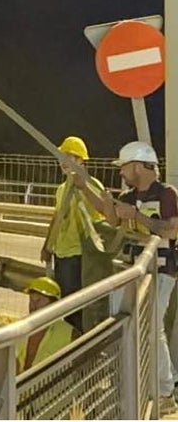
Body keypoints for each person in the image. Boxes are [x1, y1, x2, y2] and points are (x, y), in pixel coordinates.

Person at [75, 140, 178, 402]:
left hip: (162, 270)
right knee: (132, 325)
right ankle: (137, 382)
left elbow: (171, 230)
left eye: (124, 167)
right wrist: (86, 188)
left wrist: (137, 216)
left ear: (137, 166)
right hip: (133, 271)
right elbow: (110, 216)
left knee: (154, 327)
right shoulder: (128, 196)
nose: (121, 172)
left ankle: (166, 389)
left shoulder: (167, 194)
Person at [41, 136, 104, 332]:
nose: (63, 161)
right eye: (62, 156)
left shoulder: (92, 184)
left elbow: (103, 216)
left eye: (69, 156)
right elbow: (57, 217)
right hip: (62, 253)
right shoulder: (61, 189)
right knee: (64, 304)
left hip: (79, 255)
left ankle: (77, 345)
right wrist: (47, 246)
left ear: (81, 160)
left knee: (75, 307)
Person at [15, 277, 75, 373]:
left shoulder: (70, 333)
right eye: (31, 300)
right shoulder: (19, 330)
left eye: (38, 301)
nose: (33, 306)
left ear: (54, 304)